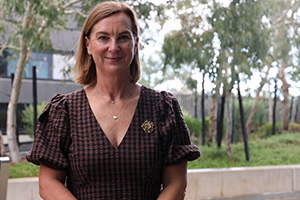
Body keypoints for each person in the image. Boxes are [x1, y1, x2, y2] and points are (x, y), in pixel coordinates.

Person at [26, 1, 201, 199]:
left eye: (123, 37)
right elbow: (48, 183)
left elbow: (176, 182)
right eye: (103, 38)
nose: (113, 47)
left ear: (135, 43)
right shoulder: (65, 110)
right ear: (88, 45)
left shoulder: (162, 108)